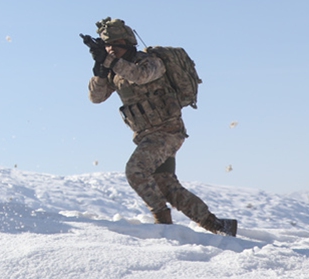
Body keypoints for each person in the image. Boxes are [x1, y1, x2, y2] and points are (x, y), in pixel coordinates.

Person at [88, 17, 237, 235]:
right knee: (166, 186)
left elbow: (140, 76)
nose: (111, 49)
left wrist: (110, 62)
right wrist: (100, 73)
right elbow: (96, 97)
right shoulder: (114, 72)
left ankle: (163, 222)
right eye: (107, 45)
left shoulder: (150, 62)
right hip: (146, 137)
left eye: (116, 44)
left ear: (128, 42)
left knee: (135, 170)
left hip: (168, 132)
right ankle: (218, 226)